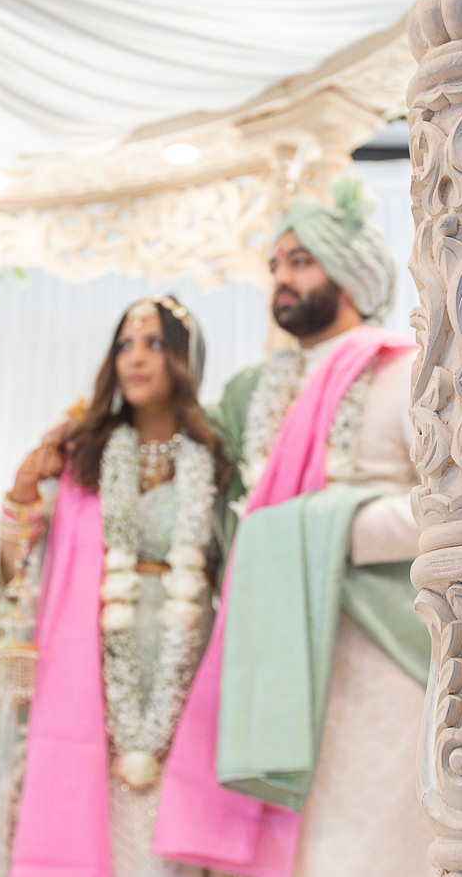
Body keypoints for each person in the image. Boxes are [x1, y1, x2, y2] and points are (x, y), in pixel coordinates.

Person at [153, 174, 433, 877]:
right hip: (271, 666)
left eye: (300, 260)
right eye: (275, 263)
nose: (281, 277)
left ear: (351, 273)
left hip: (381, 656)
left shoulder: (405, 372)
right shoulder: (252, 394)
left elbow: (456, 508)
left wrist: (320, 532)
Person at [0, 295, 230, 877]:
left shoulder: (214, 456)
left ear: (185, 359)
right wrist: (21, 494)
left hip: (188, 657)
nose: (136, 358)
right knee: (99, 811)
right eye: (125, 344)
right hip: (89, 665)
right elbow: (15, 566)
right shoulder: (84, 455)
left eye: (154, 343)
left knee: (168, 826)